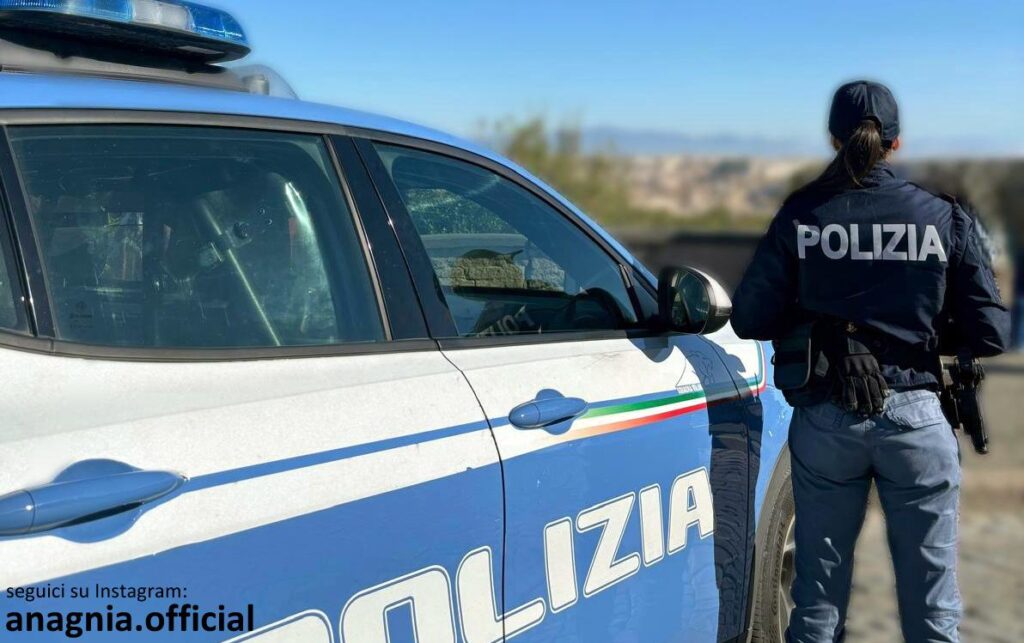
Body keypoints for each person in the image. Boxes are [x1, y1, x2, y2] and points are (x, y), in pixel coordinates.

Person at [730, 80, 1010, 642]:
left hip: (826, 419)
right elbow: (992, 332)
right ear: (895, 143)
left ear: (834, 138)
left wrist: (829, 327)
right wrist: (920, 329)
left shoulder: (802, 214)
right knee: (933, 608)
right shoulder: (942, 216)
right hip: (917, 417)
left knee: (816, 603)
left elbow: (750, 318)